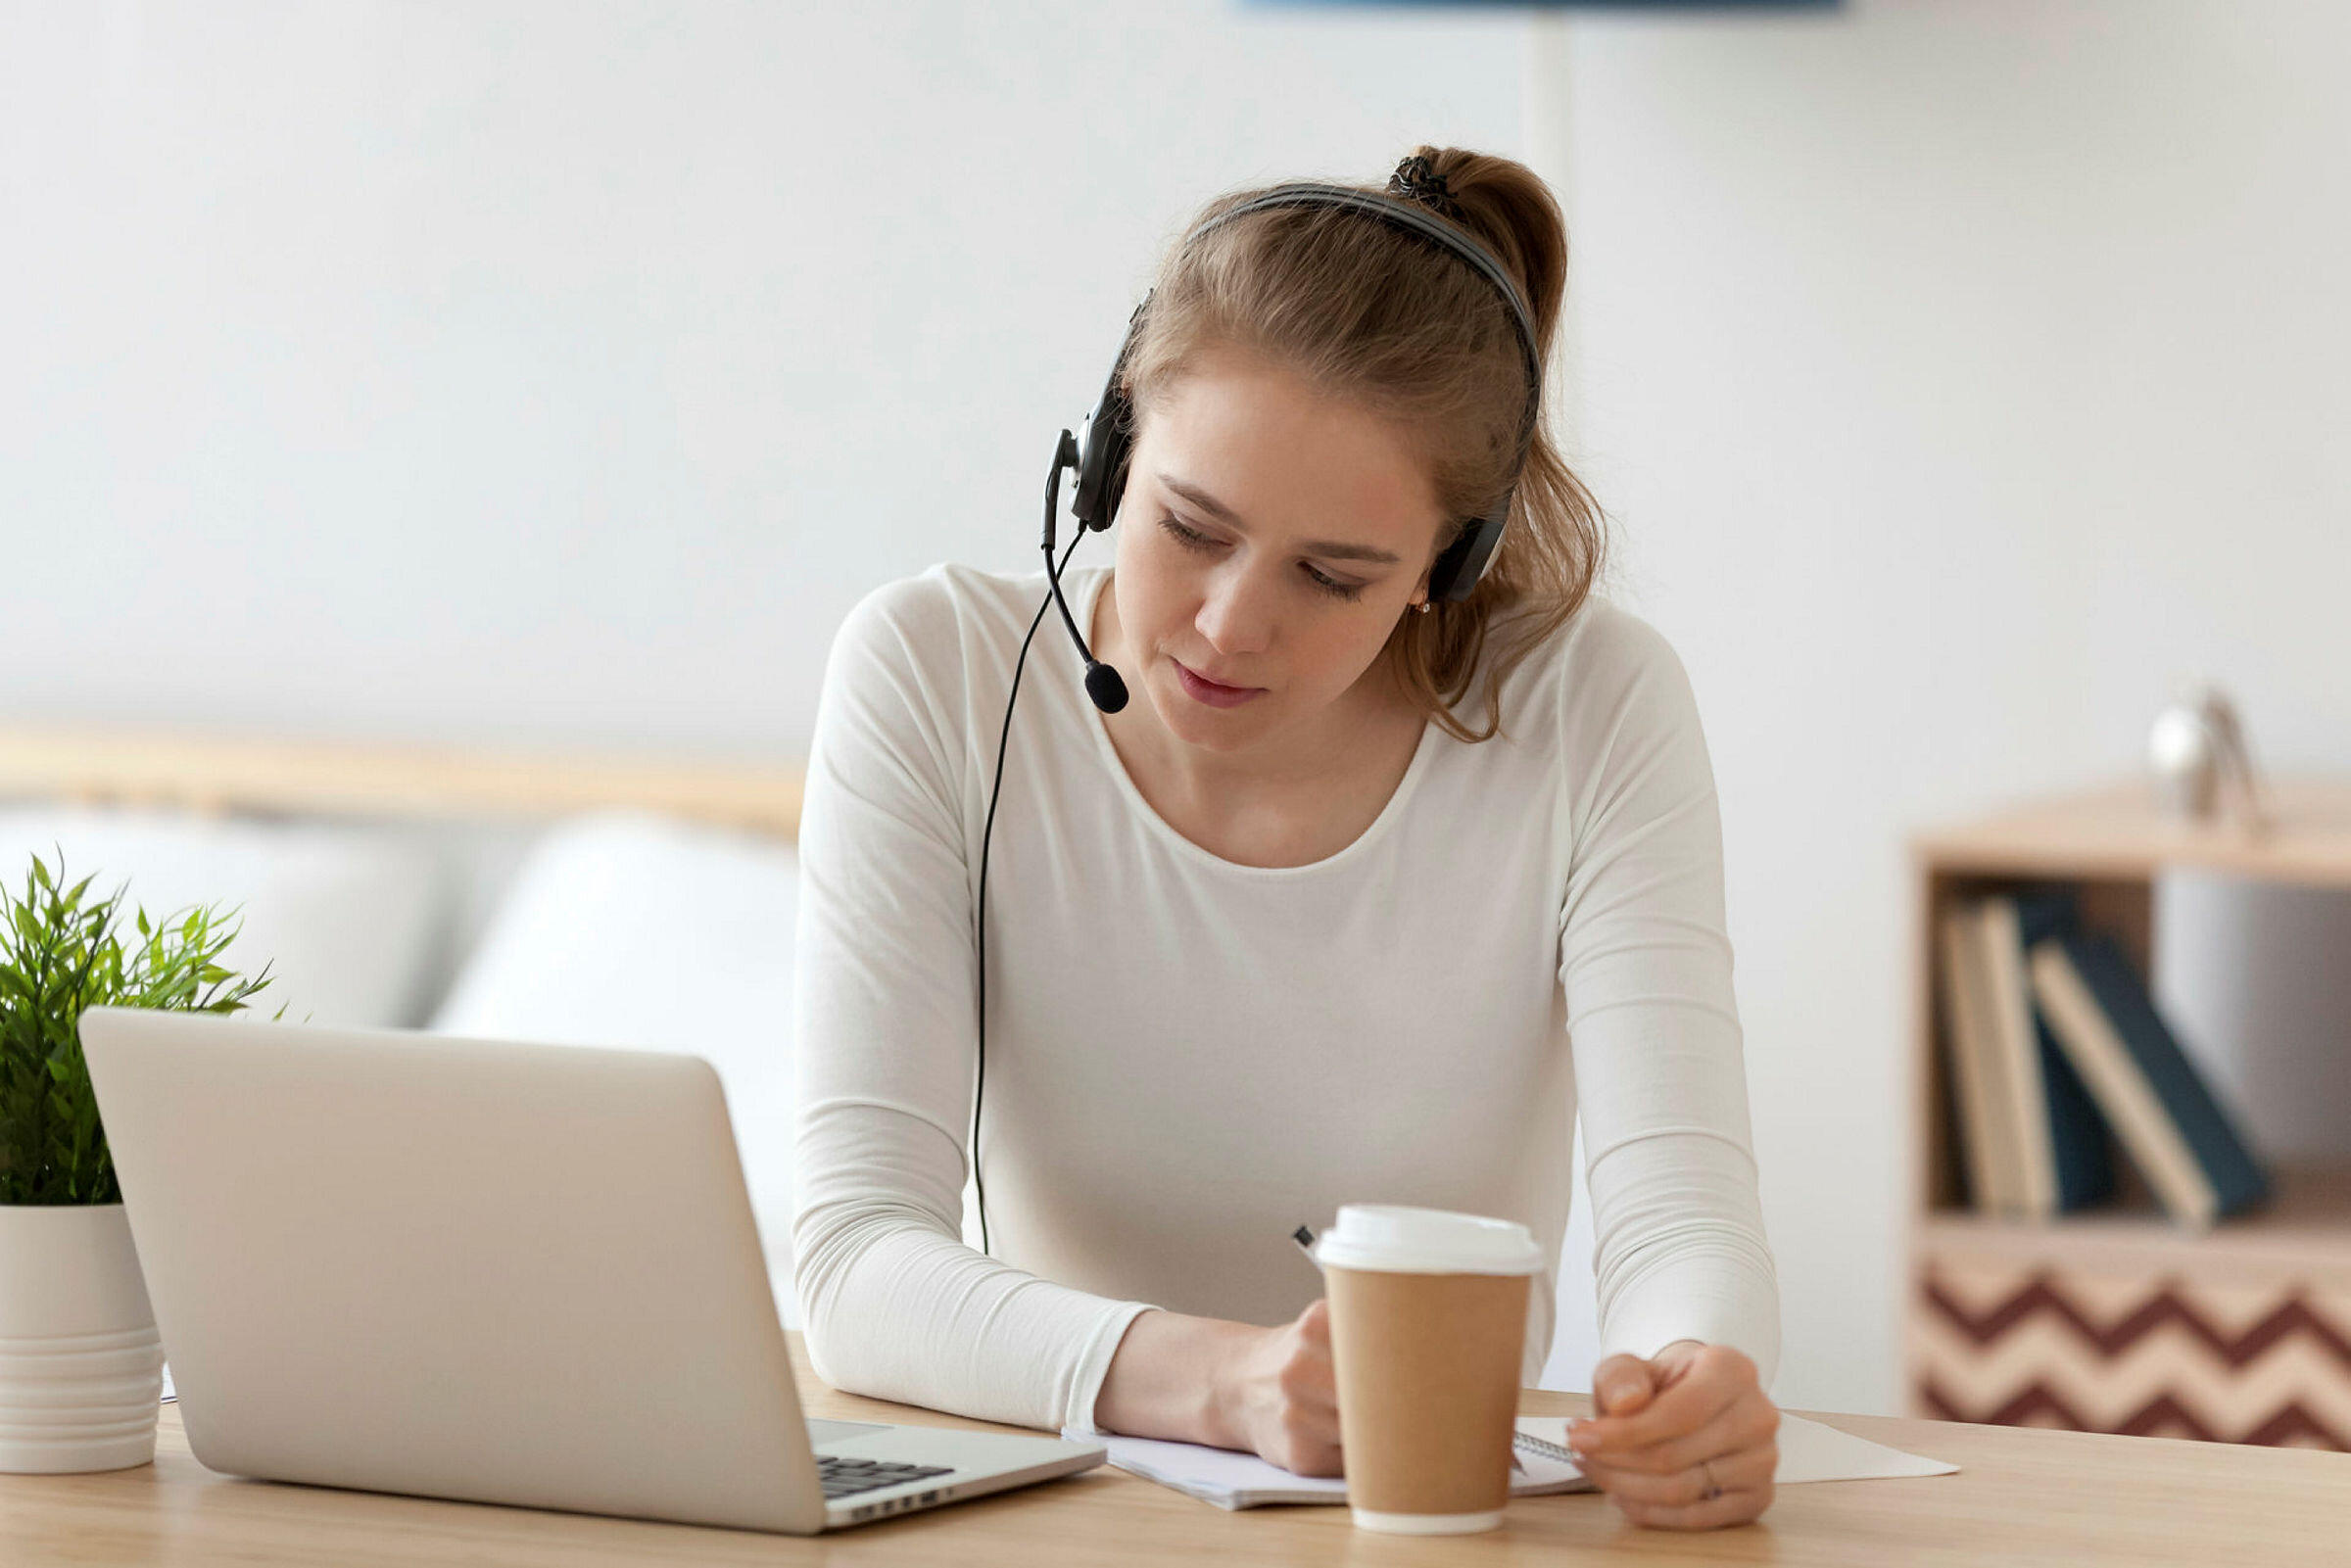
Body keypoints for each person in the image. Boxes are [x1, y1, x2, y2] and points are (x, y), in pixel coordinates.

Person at [792, 145, 1783, 1531]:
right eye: (1191, 528)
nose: (1229, 624)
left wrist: (1702, 1370)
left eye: (1334, 575)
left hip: (1426, 1524)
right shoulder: (937, 672)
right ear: (1113, 452)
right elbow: (851, 1258)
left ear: (1450, 562)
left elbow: (1680, 1222)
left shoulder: (1592, 706)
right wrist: (1231, 1381)